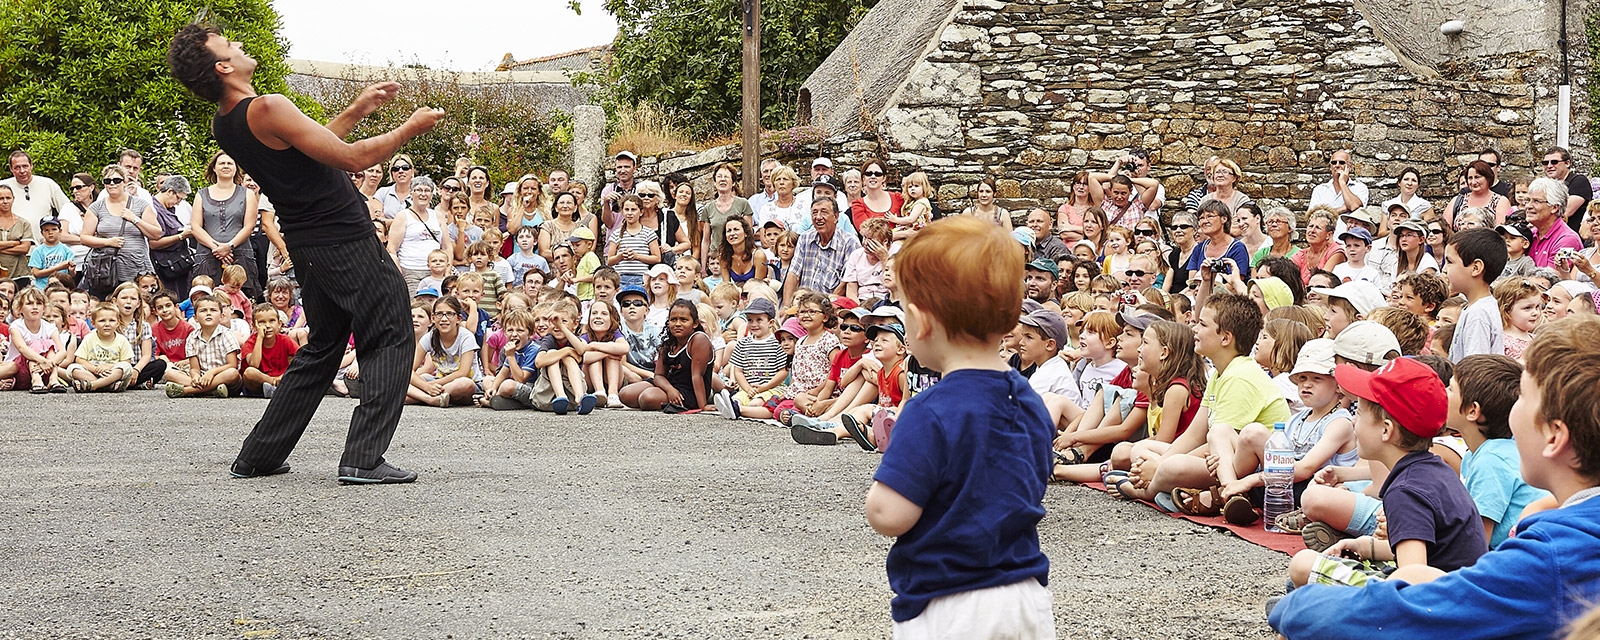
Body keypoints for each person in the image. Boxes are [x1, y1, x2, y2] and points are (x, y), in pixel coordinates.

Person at [168, 24, 442, 483]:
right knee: (394, 331)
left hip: (310, 244)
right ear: (223, 66)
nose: (238, 44)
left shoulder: (228, 120)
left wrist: (356, 109)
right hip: (344, 240)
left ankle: (259, 455)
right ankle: (363, 458)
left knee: (324, 346)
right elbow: (351, 160)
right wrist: (409, 128)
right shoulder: (268, 106)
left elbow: (310, 152)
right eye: (229, 44)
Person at [1270, 316, 1600, 640]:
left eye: (1523, 397)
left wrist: (1296, 607)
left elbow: (1416, 608)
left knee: (1313, 582)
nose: (1512, 412)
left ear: (1555, 436)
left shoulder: (1549, 556)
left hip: (1443, 593)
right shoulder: (1564, 526)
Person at [863, 216, 1053, 636]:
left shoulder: (929, 410)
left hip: (949, 601)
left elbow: (889, 513)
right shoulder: (1029, 400)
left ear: (920, 321)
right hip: (1026, 595)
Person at [1283, 357, 1486, 590]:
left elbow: (1411, 583)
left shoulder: (1406, 490)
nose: (1353, 420)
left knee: (1302, 566)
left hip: (1435, 605)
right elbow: (1424, 550)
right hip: (1456, 593)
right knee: (1302, 582)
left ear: (1386, 430)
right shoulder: (1431, 470)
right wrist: (1364, 546)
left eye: (1358, 412)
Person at [1443, 228, 1507, 363]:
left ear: (1476, 268)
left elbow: (1474, 370)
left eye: (1449, 262)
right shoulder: (1476, 308)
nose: (1444, 269)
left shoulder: (1478, 314)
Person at [783, 195, 862, 307]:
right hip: (802, 305)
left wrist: (824, 308)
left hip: (832, 307)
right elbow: (793, 274)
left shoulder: (849, 242)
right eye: (814, 213)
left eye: (824, 212)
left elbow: (846, 282)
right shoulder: (805, 238)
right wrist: (786, 307)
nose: (818, 217)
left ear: (836, 217)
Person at [385, 176, 449, 295]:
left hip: (436, 272)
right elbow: (392, 249)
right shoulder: (402, 216)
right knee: (415, 308)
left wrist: (447, 272)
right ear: (411, 193)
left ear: (431, 194)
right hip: (410, 271)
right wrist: (400, 274)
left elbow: (447, 247)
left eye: (427, 190)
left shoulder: (438, 216)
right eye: (419, 190)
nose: (423, 194)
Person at [2, 151, 72, 236]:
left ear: (31, 165)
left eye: (25, 166)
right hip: (14, 246)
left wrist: (58, 234)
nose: (22, 171)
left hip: (44, 245)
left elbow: (68, 211)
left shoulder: (48, 184)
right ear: (11, 169)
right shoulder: (2, 187)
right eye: (17, 167)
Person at [1525, 177, 1583, 268]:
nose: (1528, 206)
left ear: (1554, 207)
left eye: (1536, 201)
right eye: (1528, 200)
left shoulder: (1567, 240)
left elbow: (1550, 279)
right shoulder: (1531, 234)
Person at [699, 164, 753, 260]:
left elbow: (749, 234)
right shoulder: (708, 208)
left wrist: (748, 257)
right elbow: (706, 240)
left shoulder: (743, 203)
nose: (722, 179)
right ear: (715, 182)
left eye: (726, 177)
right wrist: (703, 268)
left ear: (733, 183)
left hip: (737, 257)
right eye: (719, 177)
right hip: (716, 259)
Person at [1443, 160, 1511, 229]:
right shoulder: (1457, 201)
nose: (1473, 182)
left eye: (1477, 177)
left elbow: (1501, 233)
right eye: (1470, 178)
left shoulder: (1500, 201)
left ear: (1488, 178)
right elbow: (1445, 230)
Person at [1542, 146, 1593, 233]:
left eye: (1554, 162)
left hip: (1571, 237)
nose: (1549, 166)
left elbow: (1564, 212)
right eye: (1545, 163)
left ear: (1567, 163)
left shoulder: (1579, 181)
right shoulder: (1546, 186)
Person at [851, 158, 905, 232]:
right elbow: (868, 233)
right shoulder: (858, 205)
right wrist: (904, 234)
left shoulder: (898, 198)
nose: (873, 176)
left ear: (884, 178)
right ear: (863, 178)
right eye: (868, 174)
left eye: (878, 174)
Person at [1308, 150, 1368, 214]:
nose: (1337, 165)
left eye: (1341, 162)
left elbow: (1353, 206)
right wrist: (1345, 208)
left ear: (1349, 167)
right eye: (1334, 162)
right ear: (1331, 167)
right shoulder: (1320, 190)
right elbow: (1312, 215)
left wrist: (1342, 183)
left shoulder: (1360, 188)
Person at [600, 151, 639, 239]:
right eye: (619, 167)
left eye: (627, 167)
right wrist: (606, 203)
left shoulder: (640, 190)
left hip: (637, 242)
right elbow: (608, 224)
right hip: (614, 243)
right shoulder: (608, 191)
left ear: (634, 169)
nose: (622, 170)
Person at [27, 216, 74, 291]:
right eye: (46, 230)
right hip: (42, 289)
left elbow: (71, 275)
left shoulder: (67, 251)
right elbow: (36, 273)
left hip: (62, 289)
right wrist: (59, 267)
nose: (50, 232)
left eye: (54, 229)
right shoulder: (38, 251)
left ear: (60, 231)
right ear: (42, 233)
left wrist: (72, 270)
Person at [371, 154, 415, 218]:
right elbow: (378, 220)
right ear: (392, 173)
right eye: (396, 169)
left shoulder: (421, 192)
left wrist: (387, 221)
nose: (400, 171)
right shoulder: (382, 193)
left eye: (405, 168)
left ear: (412, 171)